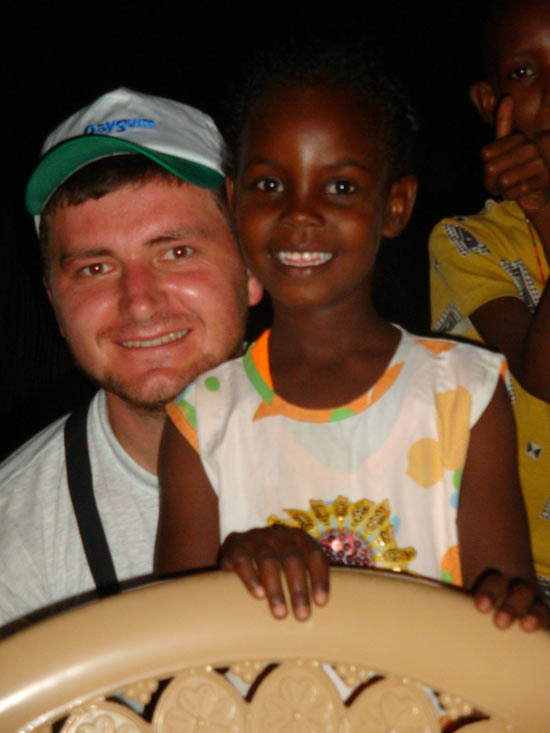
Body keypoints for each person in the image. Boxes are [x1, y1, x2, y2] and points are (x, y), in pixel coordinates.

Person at [156, 44, 547, 632]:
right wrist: (229, 571)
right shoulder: (202, 420)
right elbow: (171, 640)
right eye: (270, 184)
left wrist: (514, 611)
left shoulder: (465, 396)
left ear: (395, 206)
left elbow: (508, 618)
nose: (300, 213)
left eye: (339, 187)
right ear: (234, 201)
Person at [0, 88, 262, 633]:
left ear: (252, 270)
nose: (139, 302)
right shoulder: (16, 529)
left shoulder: (400, 445)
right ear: (54, 302)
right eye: (94, 268)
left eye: (176, 252)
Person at [429, 0, 550, 604]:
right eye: (524, 73)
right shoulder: (467, 242)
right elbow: (543, 373)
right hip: (525, 577)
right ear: (488, 103)